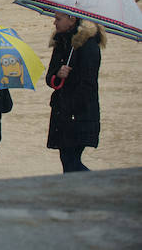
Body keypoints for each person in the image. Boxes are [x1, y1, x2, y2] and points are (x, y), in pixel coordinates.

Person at [46, 12, 104, 172]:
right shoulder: (60, 42)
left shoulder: (88, 44)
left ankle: (100, 182)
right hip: (62, 112)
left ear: (72, 19)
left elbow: (88, 84)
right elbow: (49, 77)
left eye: (58, 19)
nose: (54, 23)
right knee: (67, 160)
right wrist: (58, 74)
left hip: (79, 114)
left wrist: (72, 109)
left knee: (71, 161)